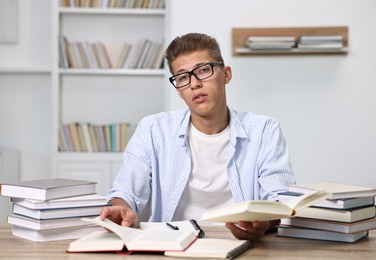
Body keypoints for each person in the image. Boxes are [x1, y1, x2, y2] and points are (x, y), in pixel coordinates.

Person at [100, 32, 295, 241]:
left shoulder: (264, 130)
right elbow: (126, 192)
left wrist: (263, 223)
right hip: (171, 245)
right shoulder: (153, 129)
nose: (194, 84)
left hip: (242, 242)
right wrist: (119, 209)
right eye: (183, 77)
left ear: (226, 74)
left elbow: (279, 200)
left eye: (203, 70)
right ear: (178, 90)